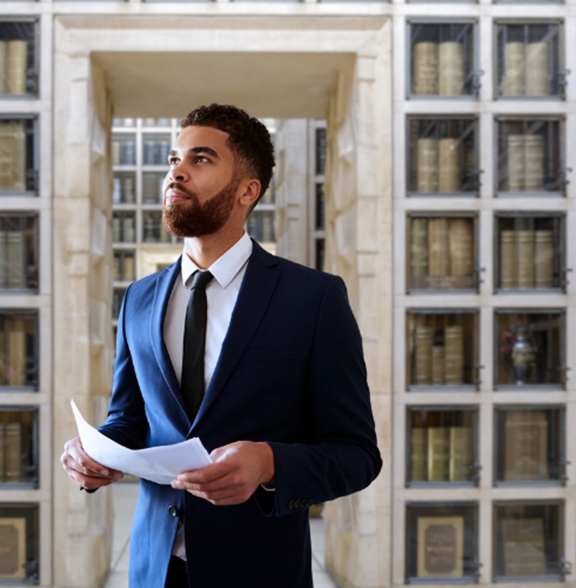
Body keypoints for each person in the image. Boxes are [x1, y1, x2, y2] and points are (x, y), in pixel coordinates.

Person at [61, 103, 381, 587]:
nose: (178, 172)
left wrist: (270, 462)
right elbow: (130, 419)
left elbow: (357, 454)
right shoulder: (139, 298)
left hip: (260, 570)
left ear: (247, 191)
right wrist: (94, 451)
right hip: (154, 569)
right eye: (174, 160)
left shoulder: (313, 298)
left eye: (201, 159)